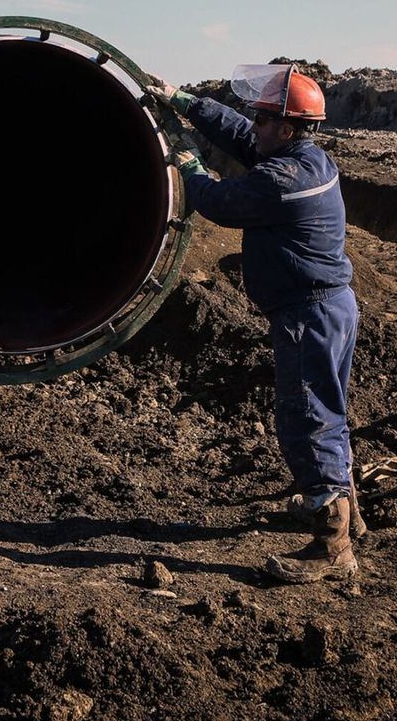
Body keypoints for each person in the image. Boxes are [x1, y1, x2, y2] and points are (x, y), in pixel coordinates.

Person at [148, 64, 360, 584]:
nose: (254, 124)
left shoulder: (285, 180)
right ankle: (342, 507)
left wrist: (192, 168)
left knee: (307, 415)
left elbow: (222, 202)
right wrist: (184, 101)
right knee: (326, 408)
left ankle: (334, 543)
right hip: (325, 308)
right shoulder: (299, 157)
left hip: (308, 314)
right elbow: (241, 136)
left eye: (264, 118)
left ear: (287, 128)